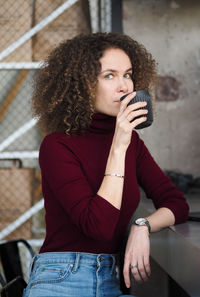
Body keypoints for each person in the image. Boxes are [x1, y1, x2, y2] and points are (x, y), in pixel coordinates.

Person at [23, 32, 189, 297]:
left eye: (128, 74)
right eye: (109, 75)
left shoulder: (132, 143)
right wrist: (119, 144)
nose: (124, 86)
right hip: (62, 278)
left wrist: (142, 225)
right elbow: (98, 226)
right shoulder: (57, 146)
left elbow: (176, 203)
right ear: (83, 84)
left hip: (112, 280)